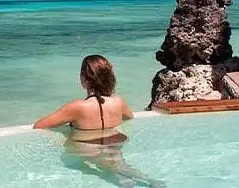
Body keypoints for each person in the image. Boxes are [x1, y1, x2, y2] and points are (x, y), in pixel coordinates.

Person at [34, 55, 165, 187]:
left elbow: (39, 126)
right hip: (116, 141)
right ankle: (147, 179)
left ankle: (128, 179)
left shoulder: (77, 107)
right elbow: (129, 117)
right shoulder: (118, 101)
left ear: (84, 79)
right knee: (118, 164)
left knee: (78, 158)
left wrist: (68, 129)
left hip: (88, 146)